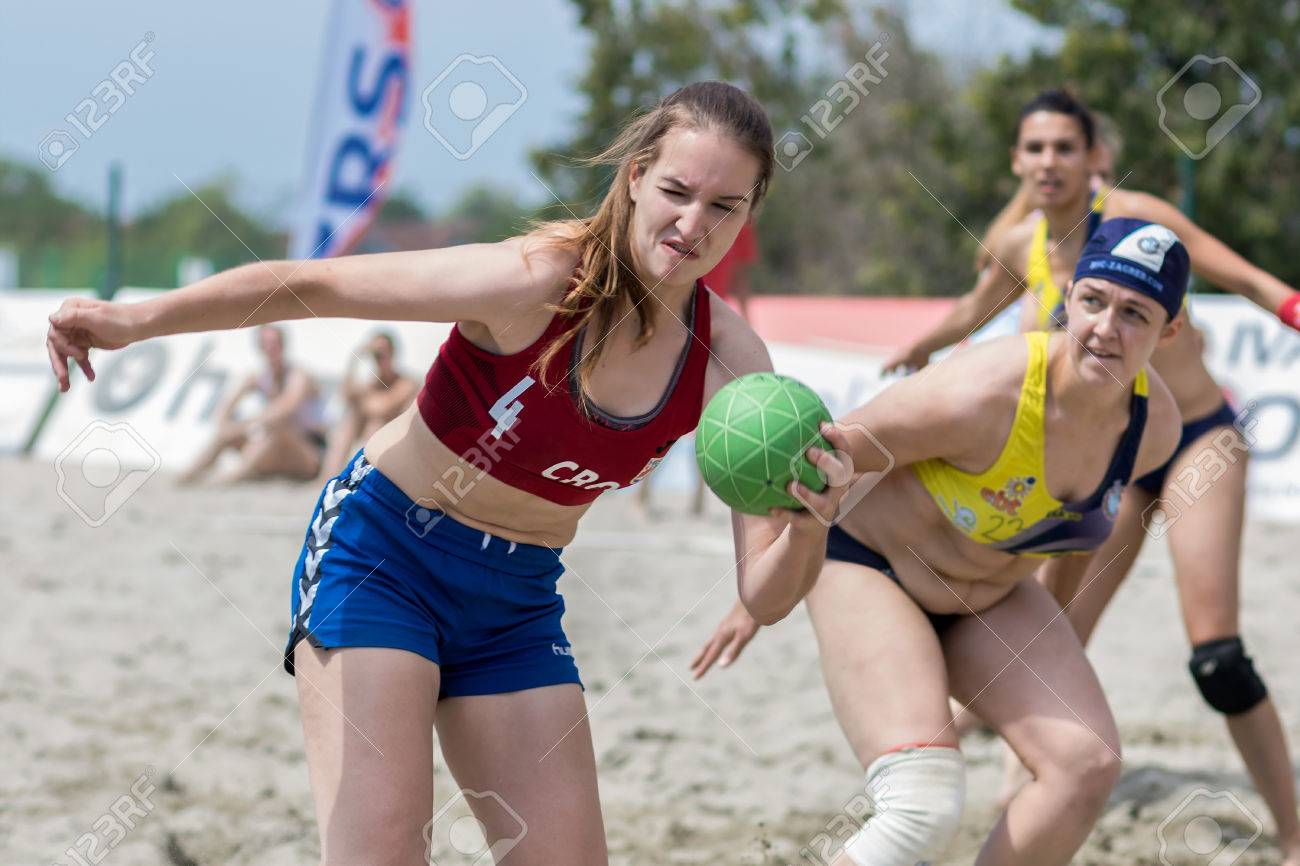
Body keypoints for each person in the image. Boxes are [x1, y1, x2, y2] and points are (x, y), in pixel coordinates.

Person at [45, 81, 850, 866]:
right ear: (636, 176)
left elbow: (763, 594)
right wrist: (134, 319)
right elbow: (316, 285)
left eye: (724, 206)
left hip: (516, 602)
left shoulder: (734, 365)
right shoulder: (536, 280)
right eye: (677, 190)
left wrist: (812, 520)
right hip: (384, 558)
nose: (692, 223)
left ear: (749, 213)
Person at [884, 89, 1300, 864]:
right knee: (1050, 637)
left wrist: (1293, 307)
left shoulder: (1138, 217)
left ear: (1094, 157)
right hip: (1109, 456)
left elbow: (1242, 273)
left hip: (1196, 439)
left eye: (1064, 148)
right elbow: (973, 309)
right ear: (1018, 160)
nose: (1049, 162)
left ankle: (1295, 835)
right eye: (1035, 148)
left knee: (1216, 657)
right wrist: (919, 348)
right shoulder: (1020, 245)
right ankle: (1028, 793)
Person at [698, 217, 1188, 865]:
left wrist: (1062, 638)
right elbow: (825, 455)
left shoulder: (1154, 430)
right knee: (922, 804)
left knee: (1085, 766)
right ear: (1068, 297)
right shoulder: (984, 392)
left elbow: (1080, 538)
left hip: (990, 596)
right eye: (1094, 300)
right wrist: (762, 582)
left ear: (1169, 330)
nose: (1104, 328)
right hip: (873, 567)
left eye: (1134, 314)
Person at [637, 218, 760, 517]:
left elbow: (740, 278)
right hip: (675, 320)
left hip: (710, 326)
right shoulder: (690, 220)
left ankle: (699, 499)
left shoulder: (740, 225)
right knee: (661, 411)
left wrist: (746, 326)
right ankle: (642, 492)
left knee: (708, 416)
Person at [177, 323, 326, 484]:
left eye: (275, 344)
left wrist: (245, 426)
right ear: (260, 347)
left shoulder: (298, 375)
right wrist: (228, 428)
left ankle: (234, 476)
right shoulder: (258, 377)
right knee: (229, 434)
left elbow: (287, 407)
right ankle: (190, 474)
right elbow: (226, 407)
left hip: (309, 450)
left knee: (277, 429)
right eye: (267, 344)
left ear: (283, 345)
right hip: (276, 448)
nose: (271, 349)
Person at [316, 330, 418, 481]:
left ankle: (363, 479)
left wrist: (360, 400)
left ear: (393, 353)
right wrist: (355, 358)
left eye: (381, 354)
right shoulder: (371, 385)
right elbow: (345, 393)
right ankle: (328, 476)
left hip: (399, 448)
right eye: (375, 355)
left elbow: (381, 408)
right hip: (376, 440)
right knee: (350, 420)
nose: (378, 359)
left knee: (374, 424)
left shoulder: (406, 383)